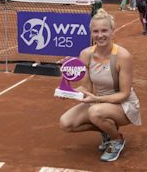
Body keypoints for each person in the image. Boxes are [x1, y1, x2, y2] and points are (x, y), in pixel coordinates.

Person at [59, 8, 141, 162]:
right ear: (91, 32)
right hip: (98, 101)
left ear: (112, 31)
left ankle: (117, 140)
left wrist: (95, 99)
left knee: (95, 112)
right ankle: (106, 129)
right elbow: (86, 88)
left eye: (104, 30)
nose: (100, 35)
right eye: (96, 31)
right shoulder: (86, 54)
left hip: (124, 104)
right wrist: (69, 91)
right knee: (66, 123)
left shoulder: (123, 56)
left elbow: (124, 94)